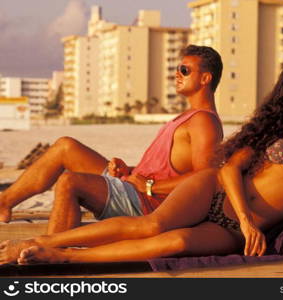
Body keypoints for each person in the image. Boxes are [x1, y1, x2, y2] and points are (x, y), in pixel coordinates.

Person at [0, 53, 283, 265]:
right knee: (151, 227)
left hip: (232, 231)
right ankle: (44, 242)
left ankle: (65, 258)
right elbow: (228, 167)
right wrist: (248, 220)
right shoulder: (279, 127)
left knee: (177, 242)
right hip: (216, 194)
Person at [0, 45, 224, 234]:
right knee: (65, 146)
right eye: (177, 69)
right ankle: (4, 202)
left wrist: (148, 186)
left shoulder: (204, 122)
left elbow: (205, 179)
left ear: (205, 78)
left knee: (70, 182)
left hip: (147, 204)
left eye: (184, 70)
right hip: (135, 186)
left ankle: (51, 250)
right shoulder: (187, 117)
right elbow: (169, 167)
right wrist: (131, 169)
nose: (177, 74)